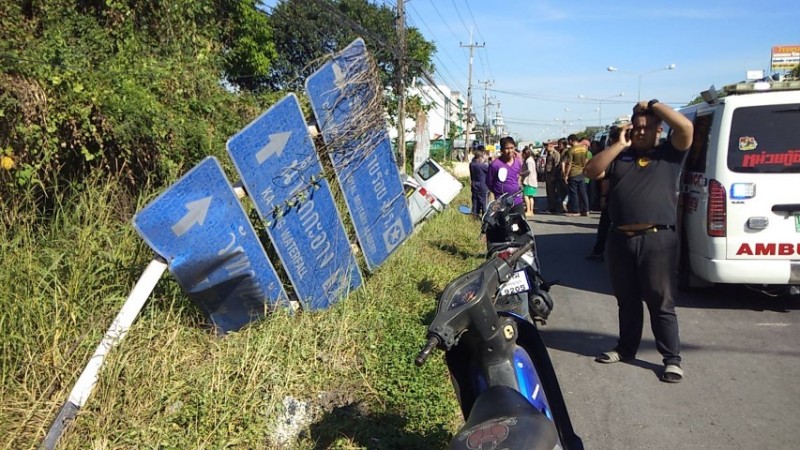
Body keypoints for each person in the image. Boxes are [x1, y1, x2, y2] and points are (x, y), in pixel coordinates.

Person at [584, 99, 693, 383]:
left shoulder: (670, 153)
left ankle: (671, 359)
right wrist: (619, 144)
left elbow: (685, 126)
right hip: (620, 238)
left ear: (659, 129)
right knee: (627, 300)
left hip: (658, 240)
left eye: (648, 127)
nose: (642, 132)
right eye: (637, 127)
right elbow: (592, 171)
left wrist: (655, 105)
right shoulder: (621, 154)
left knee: (660, 301)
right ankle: (625, 348)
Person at [486, 136, 525, 216]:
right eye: (507, 148)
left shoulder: (518, 163)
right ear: (501, 150)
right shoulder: (495, 165)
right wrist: (498, 193)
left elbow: (518, 177)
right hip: (501, 203)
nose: (510, 151)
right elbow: (489, 182)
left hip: (517, 201)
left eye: (512, 148)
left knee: (523, 225)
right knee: (503, 227)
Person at [562, 134, 590, 217]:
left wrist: (566, 175)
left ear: (571, 141)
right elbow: (586, 160)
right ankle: (586, 210)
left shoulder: (571, 150)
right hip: (582, 172)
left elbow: (569, 164)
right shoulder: (584, 149)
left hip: (573, 173)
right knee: (583, 192)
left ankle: (575, 210)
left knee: (574, 193)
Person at [468, 146, 489, 218]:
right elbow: (490, 171)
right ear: (481, 157)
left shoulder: (471, 164)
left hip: (474, 185)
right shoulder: (482, 166)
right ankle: (484, 217)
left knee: (475, 202)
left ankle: (475, 216)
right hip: (482, 186)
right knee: (484, 203)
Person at [543, 141, 561, 214]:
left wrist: (553, 175)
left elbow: (556, 165)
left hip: (553, 175)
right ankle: (550, 206)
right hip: (548, 174)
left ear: (550, 146)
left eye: (546, 146)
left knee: (553, 192)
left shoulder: (555, 154)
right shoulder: (548, 154)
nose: (545, 148)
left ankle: (553, 207)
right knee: (549, 192)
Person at [521, 147, 538, 218]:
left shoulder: (529, 161)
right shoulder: (530, 159)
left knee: (526, 196)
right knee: (530, 196)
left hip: (529, 181)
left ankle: (529, 210)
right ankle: (531, 210)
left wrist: (522, 174)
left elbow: (529, 170)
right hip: (531, 180)